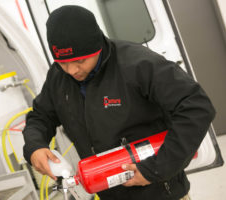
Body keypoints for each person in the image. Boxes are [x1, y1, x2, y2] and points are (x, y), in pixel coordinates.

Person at [22, 5, 215, 200]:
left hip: (161, 192)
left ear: (96, 46)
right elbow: (40, 116)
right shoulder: (58, 77)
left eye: (80, 60)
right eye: (63, 63)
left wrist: (156, 168)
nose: (72, 70)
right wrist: (35, 146)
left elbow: (196, 107)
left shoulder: (138, 65)